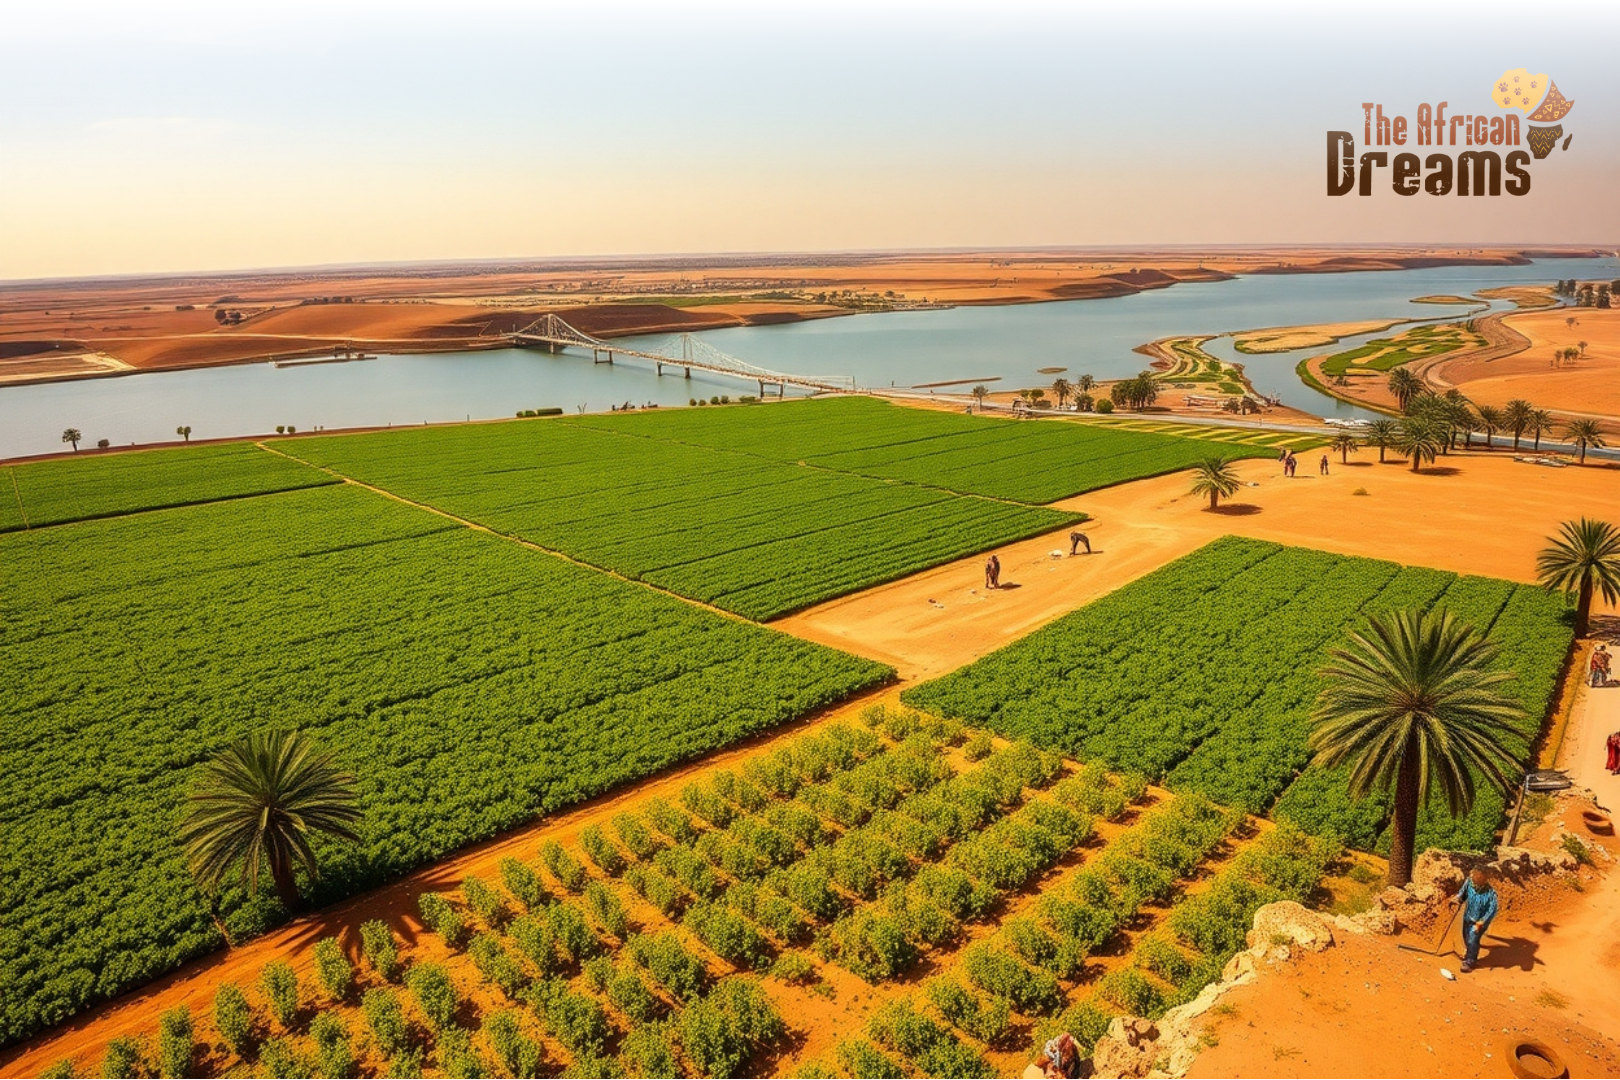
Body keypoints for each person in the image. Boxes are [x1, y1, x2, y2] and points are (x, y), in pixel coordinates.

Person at [1452, 868, 1499, 973]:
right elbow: (1462, 894)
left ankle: (1469, 962)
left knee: (1472, 938)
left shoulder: (1491, 894)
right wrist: (1458, 899)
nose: (1474, 879)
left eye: (1477, 877)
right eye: (1473, 876)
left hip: (1479, 922)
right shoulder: (1469, 883)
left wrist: (1481, 922)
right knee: (1467, 938)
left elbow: (1492, 910)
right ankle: (1470, 951)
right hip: (1467, 917)